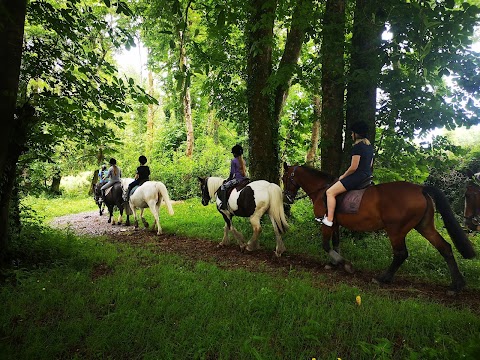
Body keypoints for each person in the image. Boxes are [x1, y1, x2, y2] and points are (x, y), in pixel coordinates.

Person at [315, 121, 374, 226]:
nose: (351, 135)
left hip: (357, 177)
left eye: (352, 133)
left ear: (356, 134)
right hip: (367, 176)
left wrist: (343, 176)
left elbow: (353, 167)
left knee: (330, 192)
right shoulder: (369, 147)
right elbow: (370, 164)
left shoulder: (358, 147)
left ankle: (329, 219)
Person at [218, 144, 247, 210]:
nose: (233, 154)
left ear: (235, 153)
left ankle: (224, 205)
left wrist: (229, 179)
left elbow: (232, 173)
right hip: (244, 179)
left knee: (223, 187)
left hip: (237, 179)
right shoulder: (243, 161)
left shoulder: (233, 161)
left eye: (233, 153)